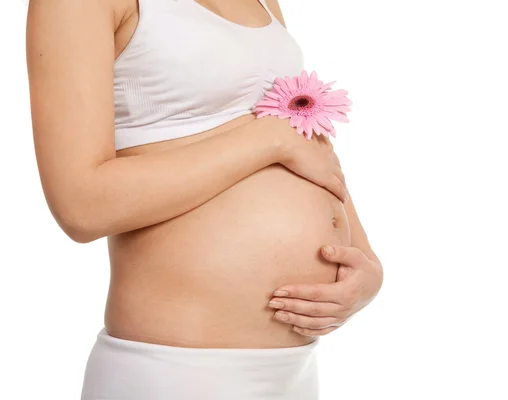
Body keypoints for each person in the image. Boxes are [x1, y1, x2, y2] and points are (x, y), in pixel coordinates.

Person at [25, 0, 384, 398]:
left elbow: (304, 143)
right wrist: (267, 140)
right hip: (177, 370)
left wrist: (366, 266)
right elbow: (81, 205)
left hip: (294, 370)